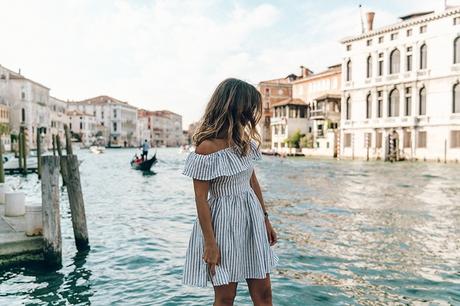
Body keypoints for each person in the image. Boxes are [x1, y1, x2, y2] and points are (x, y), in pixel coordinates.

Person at [182, 78, 278, 306]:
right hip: (223, 224)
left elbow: (252, 181)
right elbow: (200, 199)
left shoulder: (243, 142)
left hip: (251, 219)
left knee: (264, 293)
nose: (251, 113)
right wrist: (210, 243)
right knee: (226, 297)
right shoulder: (206, 147)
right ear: (235, 106)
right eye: (249, 106)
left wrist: (266, 220)